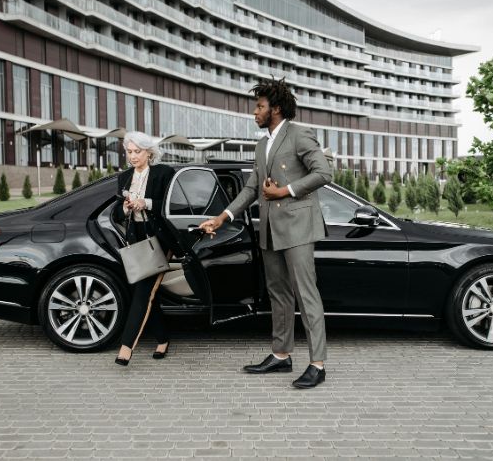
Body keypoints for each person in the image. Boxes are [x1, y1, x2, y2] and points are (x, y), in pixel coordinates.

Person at [200, 77, 332, 388]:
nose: (254, 112)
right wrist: (221, 218)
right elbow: (250, 189)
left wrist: (285, 190)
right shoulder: (262, 145)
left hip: (298, 228)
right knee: (279, 295)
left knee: (306, 294)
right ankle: (281, 355)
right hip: (271, 230)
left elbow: (324, 173)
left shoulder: (299, 135)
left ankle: (318, 364)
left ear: (275, 109)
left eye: (259, 107)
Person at [114, 131, 176, 366]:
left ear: (149, 152)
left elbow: (172, 206)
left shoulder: (164, 173)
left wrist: (146, 203)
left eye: (137, 152)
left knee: (143, 291)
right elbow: (117, 213)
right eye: (129, 152)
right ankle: (162, 338)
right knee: (148, 292)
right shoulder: (124, 178)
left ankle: (126, 347)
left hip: (160, 238)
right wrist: (128, 208)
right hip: (136, 238)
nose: (132, 156)